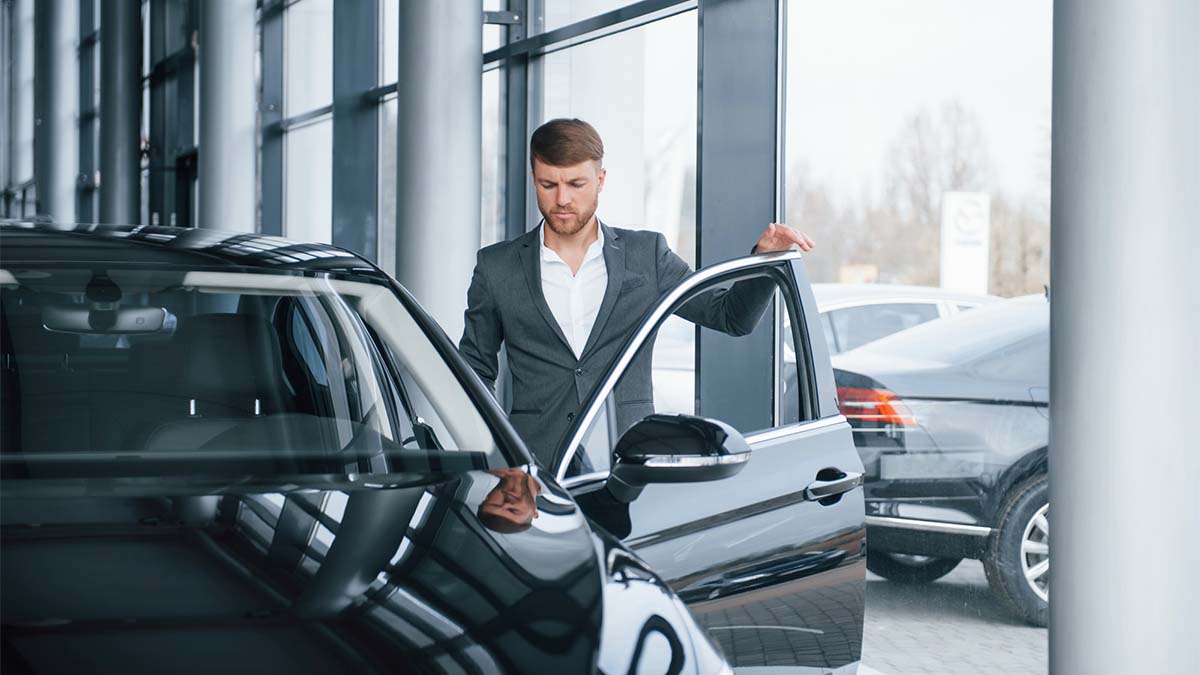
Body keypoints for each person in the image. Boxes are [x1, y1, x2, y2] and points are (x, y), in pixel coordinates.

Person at [459, 118, 814, 467]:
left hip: (628, 468)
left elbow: (731, 317)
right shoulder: (497, 267)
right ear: (534, 180)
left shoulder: (647, 256)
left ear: (600, 181)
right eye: (548, 184)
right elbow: (474, 371)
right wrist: (496, 453)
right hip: (533, 471)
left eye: (576, 183)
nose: (562, 199)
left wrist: (765, 262)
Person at [477, 468, 542, 534]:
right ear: (534, 513)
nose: (507, 504)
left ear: (487, 497)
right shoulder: (552, 485)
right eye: (513, 510)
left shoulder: (487, 463)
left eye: (496, 505)